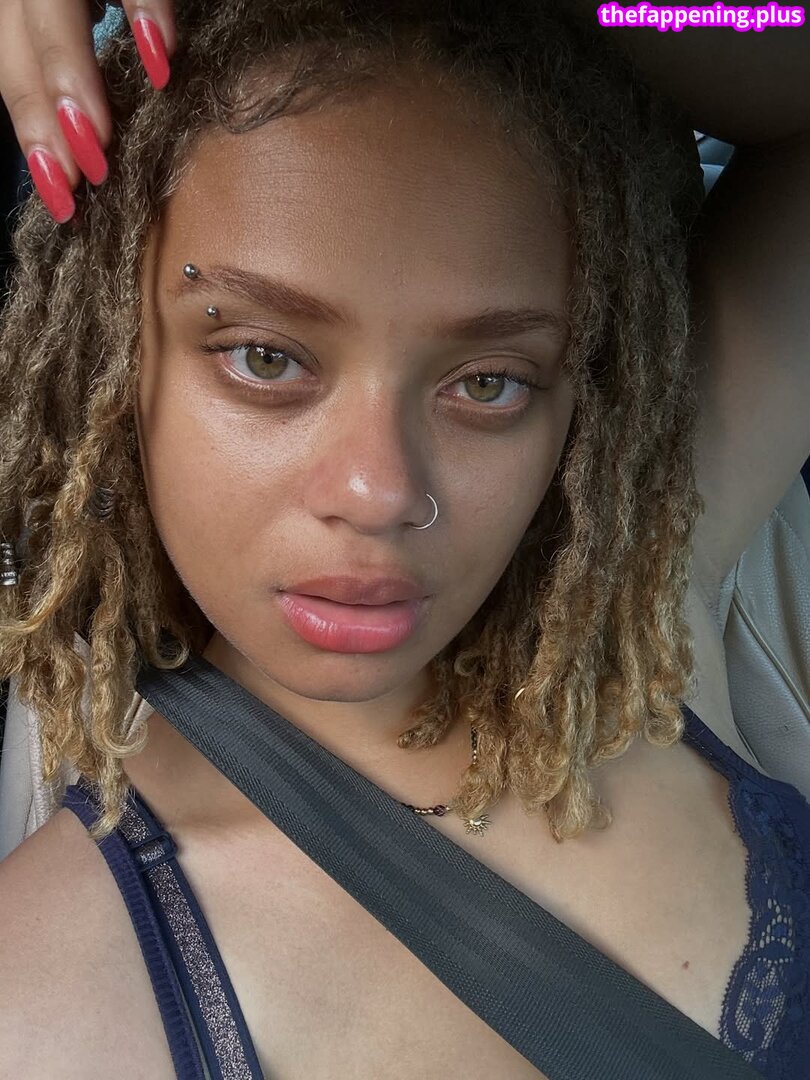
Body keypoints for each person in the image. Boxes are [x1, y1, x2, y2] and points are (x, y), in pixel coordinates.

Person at [0, 1, 808, 1076]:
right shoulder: (41, 1008)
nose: (380, 493)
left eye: (489, 383)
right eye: (265, 358)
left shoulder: (634, 599)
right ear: (113, 358)